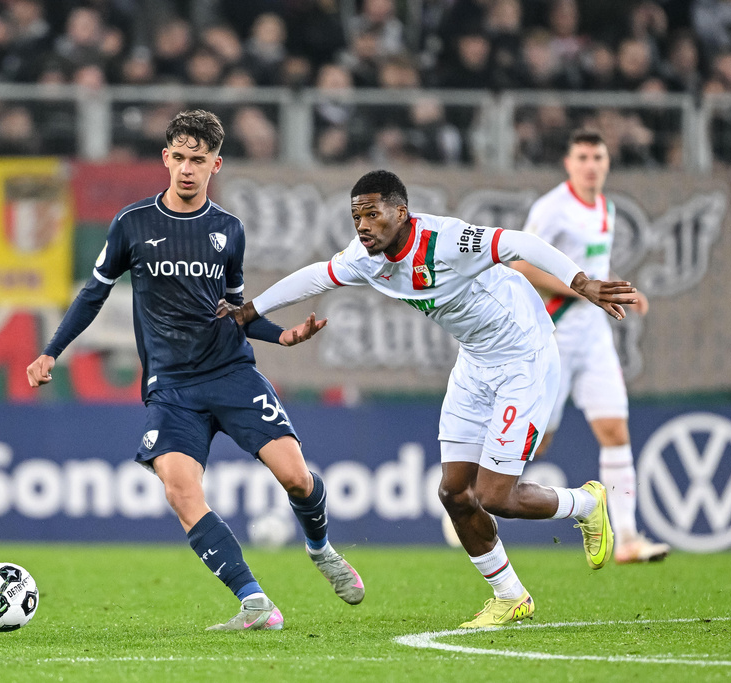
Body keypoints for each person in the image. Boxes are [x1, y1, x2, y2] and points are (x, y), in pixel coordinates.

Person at [222, 169, 635, 628]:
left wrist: (581, 282)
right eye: (356, 216)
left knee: (495, 496)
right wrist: (249, 311)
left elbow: (520, 243)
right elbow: (317, 276)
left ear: (401, 213)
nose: (362, 225)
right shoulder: (365, 258)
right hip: (475, 361)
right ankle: (510, 595)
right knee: (454, 492)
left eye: (372, 215)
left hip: (525, 355)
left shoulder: (447, 240)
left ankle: (585, 503)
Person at [26, 110, 364, 631]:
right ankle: (254, 603)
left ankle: (320, 549)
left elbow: (235, 310)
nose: (187, 168)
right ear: (165, 158)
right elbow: (93, 294)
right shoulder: (131, 224)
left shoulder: (228, 231)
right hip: (172, 387)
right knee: (181, 492)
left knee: (296, 477)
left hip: (230, 371)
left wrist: (283, 335)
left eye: (198, 160)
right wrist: (52, 350)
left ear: (215, 165)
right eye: (179, 157)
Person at [510, 130, 671, 565]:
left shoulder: (606, 207)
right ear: (568, 163)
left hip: (595, 336)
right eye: (582, 156)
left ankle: (630, 539)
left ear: (607, 162)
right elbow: (522, 264)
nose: (591, 164)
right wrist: (584, 290)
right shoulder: (551, 208)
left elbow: (594, 268)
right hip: (556, 333)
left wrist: (621, 290)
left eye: (598, 156)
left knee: (615, 430)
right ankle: (470, 495)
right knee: (538, 440)